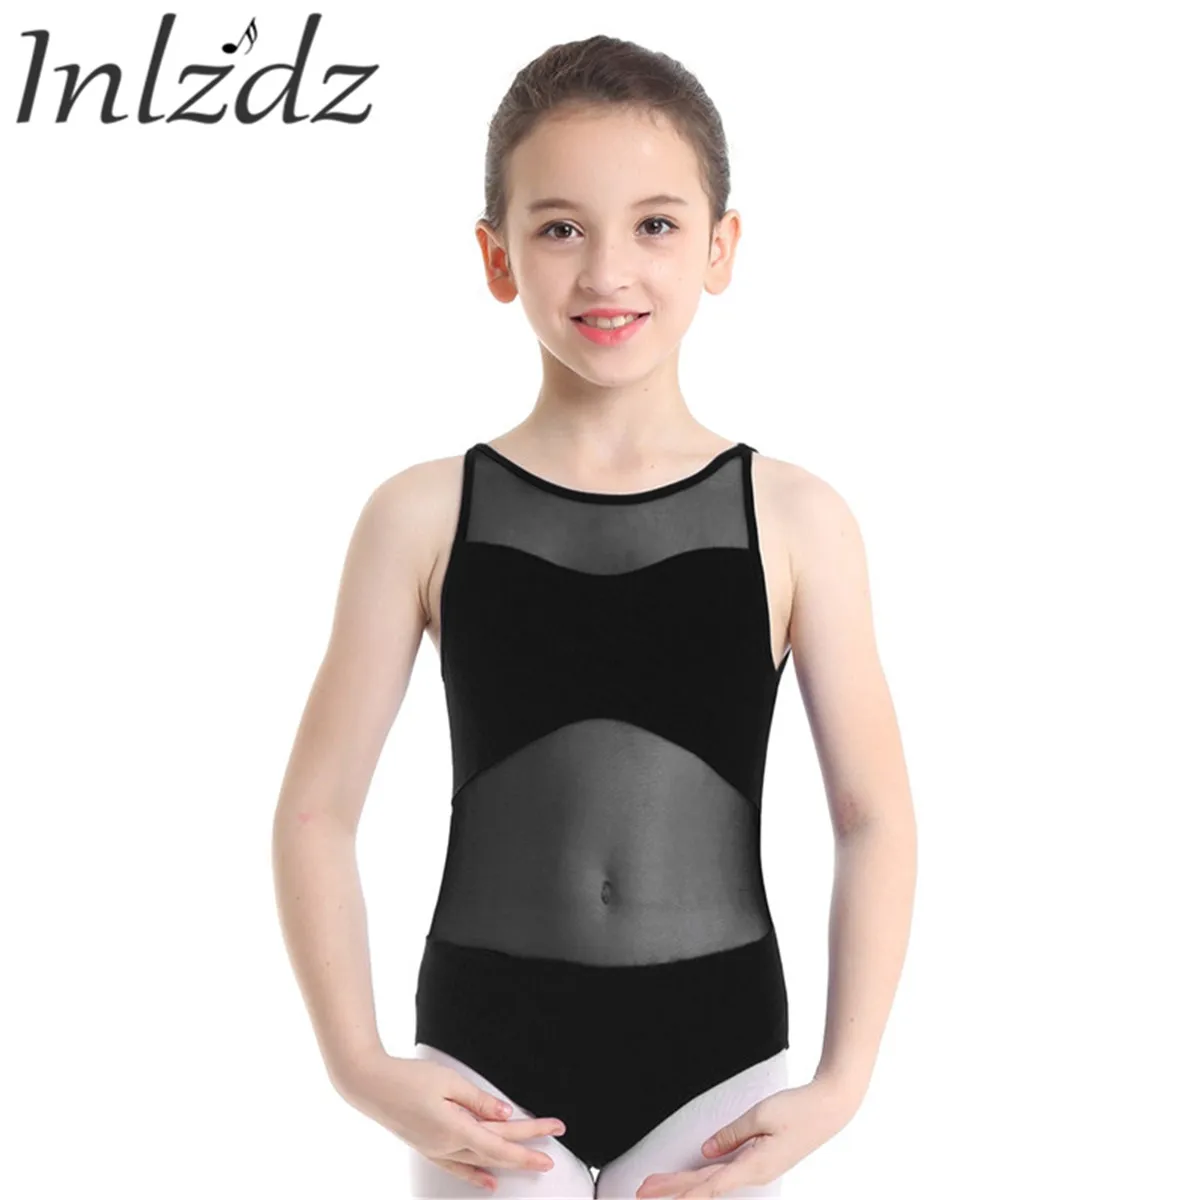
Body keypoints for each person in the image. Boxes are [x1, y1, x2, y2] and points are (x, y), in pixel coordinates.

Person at [273, 33, 917, 1200]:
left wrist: (844, 1083)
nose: (608, 271)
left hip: (719, 1058)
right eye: (562, 228)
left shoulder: (797, 518)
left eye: (655, 224)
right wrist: (358, 1066)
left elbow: (872, 816)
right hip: (483, 1060)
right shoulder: (421, 513)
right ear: (498, 256)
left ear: (721, 247)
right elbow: (316, 811)